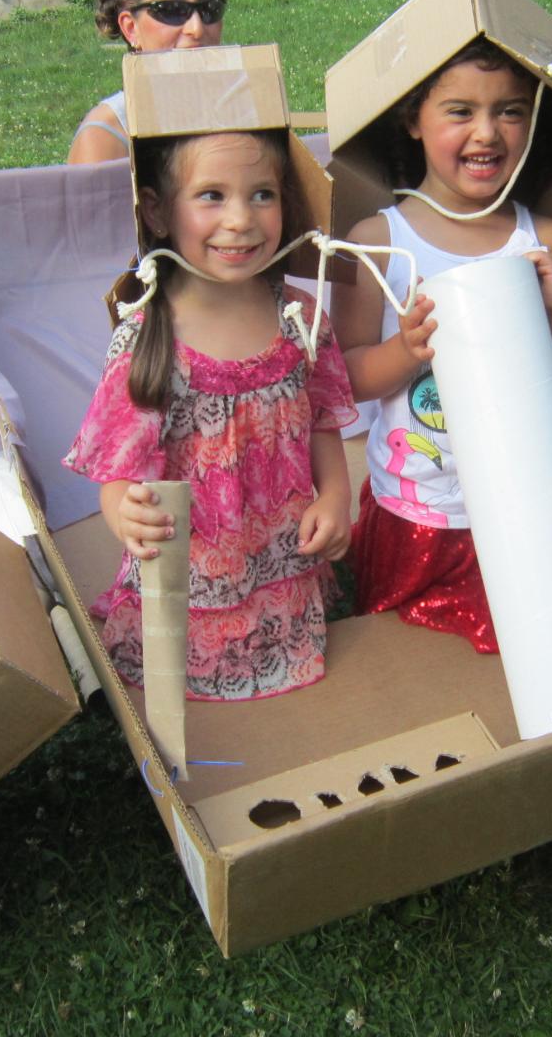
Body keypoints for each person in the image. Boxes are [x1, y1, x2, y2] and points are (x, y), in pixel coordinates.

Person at [333, 37, 552, 654]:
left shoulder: (548, 242)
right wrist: (406, 350)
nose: (488, 132)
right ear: (412, 120)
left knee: (547, 649)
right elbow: (346, 378)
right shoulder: (377, 240)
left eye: (510, 110)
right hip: (423, 514)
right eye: (460, 111)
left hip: (532, 509)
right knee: (412, 657)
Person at [63, 128, 356, 700]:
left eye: (262, 194)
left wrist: (336, 496)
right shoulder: (148, 340)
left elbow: (319, 418)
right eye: (212, 196)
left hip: (282, 564)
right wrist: (125, 513)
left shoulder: (299, 318)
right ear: (158, 210)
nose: (241, 219)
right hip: (193, 579)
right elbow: (116, 474)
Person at [66, 0, 227, 164]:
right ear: (131, 28)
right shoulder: (107, 136)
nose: (196, 28)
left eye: (209, 8)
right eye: (172, 10)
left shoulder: (247, 110)